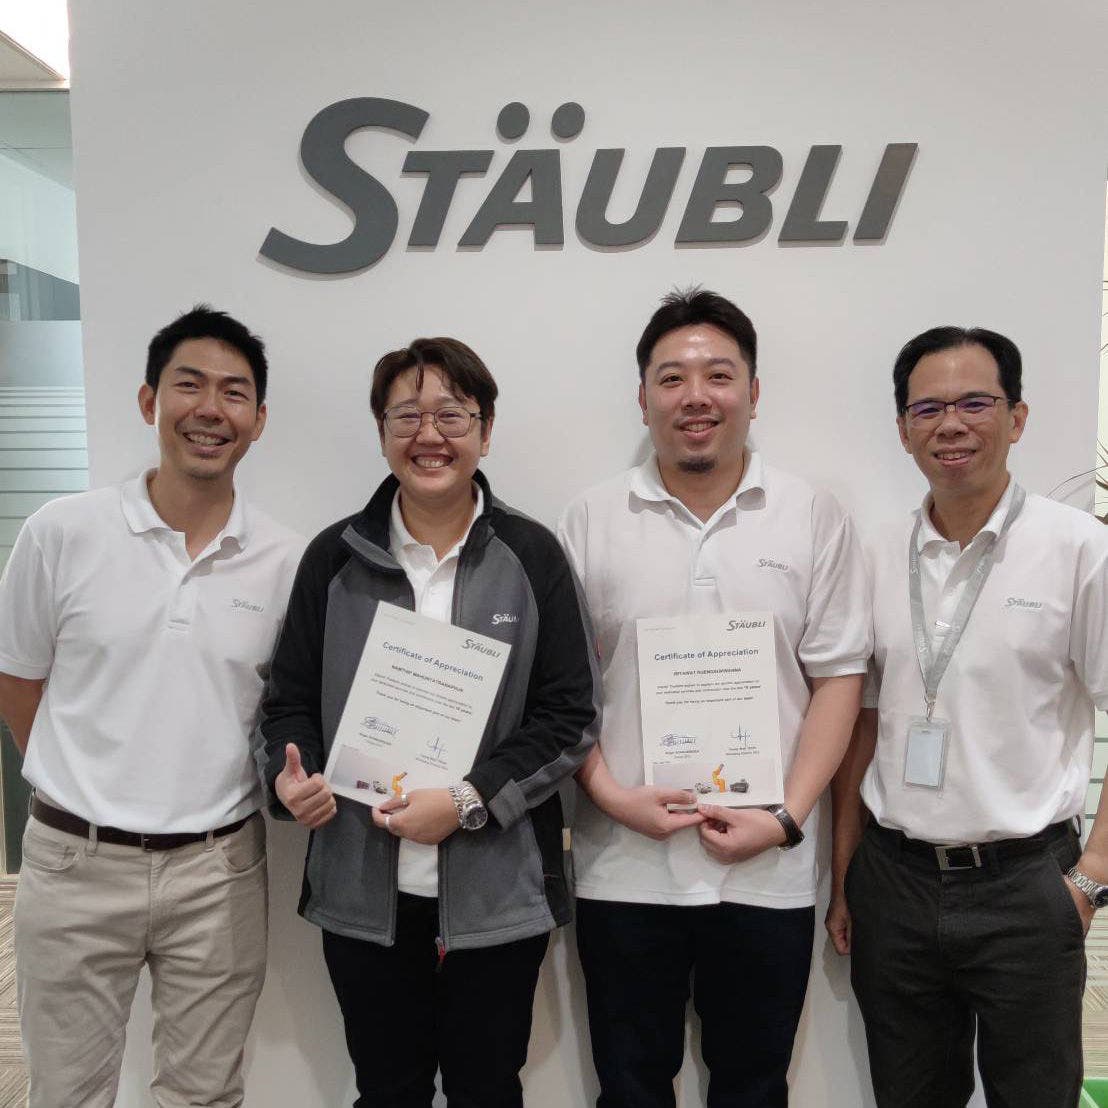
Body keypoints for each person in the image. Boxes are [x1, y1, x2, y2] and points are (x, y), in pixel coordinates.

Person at [254, 336, 598, 1108]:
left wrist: (471, 798)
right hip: (360, 885)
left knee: (487, 1088)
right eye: (407, 415)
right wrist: (293, 776)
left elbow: (569, 716)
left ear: (486, 428)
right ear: (381, 431)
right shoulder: (333, 559)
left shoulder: (533, 554)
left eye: (452, 414)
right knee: (387, 1089)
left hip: (497, 891)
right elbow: (288, 701)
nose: (429, 435)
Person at [558, 288, 869, 1107]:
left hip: (767, 868)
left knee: (755, 1087)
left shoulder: (811, 515)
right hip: (621, 869)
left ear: (753, 392)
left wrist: (789, 816)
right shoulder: (590, 518)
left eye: (718, 375)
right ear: (643, 397)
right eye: (672, 378)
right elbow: (561, 693)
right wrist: (608, 795)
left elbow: (839, 678)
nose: (696, 397)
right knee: (629, 1089)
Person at [0, 306, 304, 1107]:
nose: (211, 410)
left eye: (235, 394)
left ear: (259, 421)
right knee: (67, 1092)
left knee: (203, 1095)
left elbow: (284, 707)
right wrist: (86, 787)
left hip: (219, 869)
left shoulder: (283, 560)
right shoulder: (61, 532)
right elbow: (19, 676)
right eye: (189, 386)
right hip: (73, 863)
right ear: (148, 402)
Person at [826, 326, 1108, 1107]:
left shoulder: (1079, 551)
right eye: (928, 408)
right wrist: (846, 876)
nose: (951, 425)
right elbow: (863, 724)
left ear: (1017, 418)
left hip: (1027, 884)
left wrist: (1090, 883)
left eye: (976, 403)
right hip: (895, 879)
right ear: (903, 428)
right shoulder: (878, 553)